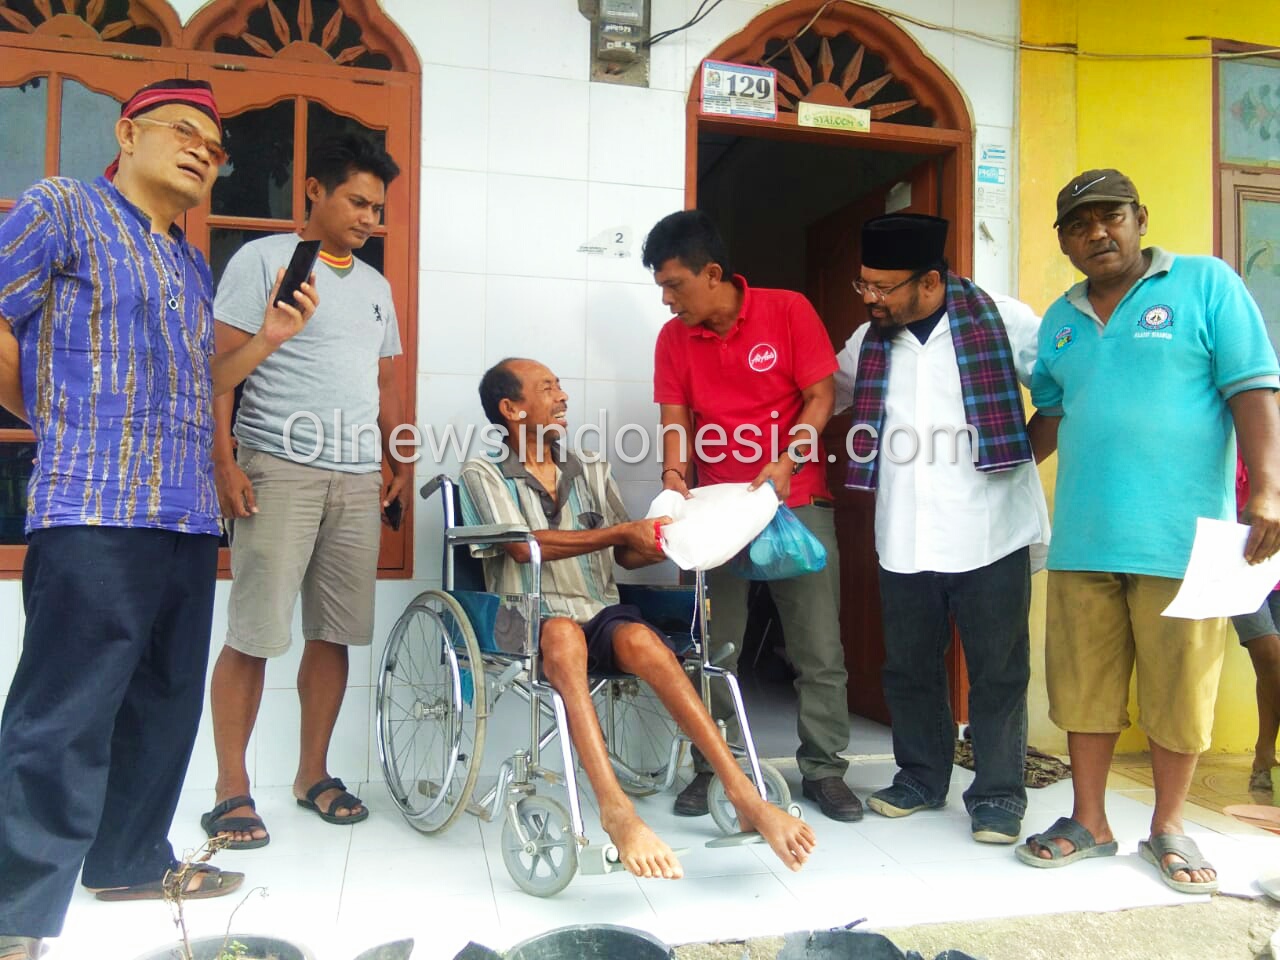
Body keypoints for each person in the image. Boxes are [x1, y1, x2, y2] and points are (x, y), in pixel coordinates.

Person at [0, 79, 317, 960]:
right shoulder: (61, 208)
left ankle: (130, 858)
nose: (202, 153)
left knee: (162, 705)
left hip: (182, 514)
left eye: (215, 150)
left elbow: (201, 381)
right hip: (93, 505)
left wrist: (268, 343)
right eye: (185, 132)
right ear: (127, 132)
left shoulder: (185, 261)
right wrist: (48, 410)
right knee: (64, 712)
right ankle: (14, 912)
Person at [1019, 169, 1280, 895]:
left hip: (1195, 537)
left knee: (1183, 691)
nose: (1096, 233)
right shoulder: (1060, 320)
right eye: (1078, 224)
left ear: (1139, 218)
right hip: (1084, 537)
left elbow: (1254, 384)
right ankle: (1089, 822)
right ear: (1065, 242)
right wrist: (989, 465)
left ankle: (1168, 826)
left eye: (1110, 217)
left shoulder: (1206, 283)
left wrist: (1268, 487)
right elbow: (1052, 414)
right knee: (1082, 688)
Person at [459, 358, 817, 879]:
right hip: (523, 619)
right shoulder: (483, 472)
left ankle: (746, 795)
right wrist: (618, 534)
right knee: (561, 635)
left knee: (648, 643)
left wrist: (680, 538)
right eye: (546, 389)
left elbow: (624, 554)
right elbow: (520, 547)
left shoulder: (590, 468)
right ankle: (616, 811)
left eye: (560, 386)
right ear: (512, 409)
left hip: (598, 609)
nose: (562, 397)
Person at [202, 134, 407, 849]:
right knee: (255, 632)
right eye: (357, 201)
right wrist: (224, 461)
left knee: (335, 631)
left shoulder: (376, 286)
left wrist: (396, 450)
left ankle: (311, 775)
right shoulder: (262, 262)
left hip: (355, 476)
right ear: (314, 191)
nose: (367, 218)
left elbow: (381, 380)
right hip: (277, 465)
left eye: (377, 208)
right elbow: (220, 365)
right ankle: (232, 789)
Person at [834, 214, 1050, 844]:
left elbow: (1061, 393)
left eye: (883, 286)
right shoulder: (869, 340)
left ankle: (999, 796)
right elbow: (823, 392)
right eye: (863, 284)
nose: (870, 297)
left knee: (998, 671)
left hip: (991, 528)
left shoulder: (1004, 320)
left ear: (929, 281)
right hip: (903, 530)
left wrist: (1016, 462)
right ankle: (922, 778)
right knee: (908, 666)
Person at [643, 210, 860, 822]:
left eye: (675, 285)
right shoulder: (674, 339)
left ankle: (824, 769)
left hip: (795, 500)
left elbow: (821, 395)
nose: (667, 300)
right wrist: (673, 482)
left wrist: (789, 458)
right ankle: (714, 766)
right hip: (717, 511)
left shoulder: (787, 311)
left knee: (818, 648)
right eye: (660, 287)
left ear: (714, 274)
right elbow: (675, 419)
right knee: (715, 646)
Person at [1230, 457, 1280, 795]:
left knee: (1271, 666)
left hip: (1276, 562)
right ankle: (1264, 754)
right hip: (1234, 561)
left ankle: (1264, 754)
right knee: (1270, 654)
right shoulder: (1226, 434)